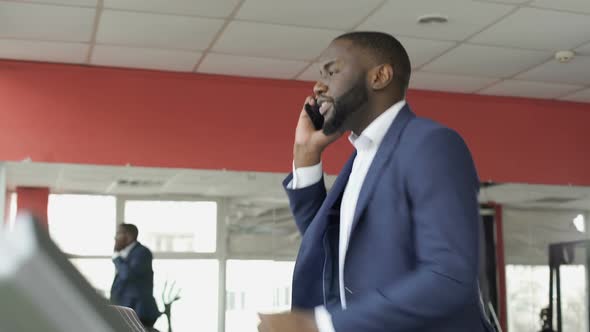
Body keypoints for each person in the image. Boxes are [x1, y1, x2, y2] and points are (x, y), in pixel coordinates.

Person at [259, 31, 494, 332]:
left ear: (380, 76)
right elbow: (328, 247)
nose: (319, 86)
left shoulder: (431, 144)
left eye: (332, 71)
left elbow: (449, 276)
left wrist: (321, 325)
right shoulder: (362, 157)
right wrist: (306, 154)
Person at [110, 223, 161, 328]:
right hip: (128, 311)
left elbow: (127, 275)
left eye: (118, 233)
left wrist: (117, 258)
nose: (115, 237)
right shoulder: (127, 253)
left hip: (140, 311)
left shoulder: (142, 252)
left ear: (129, 235)